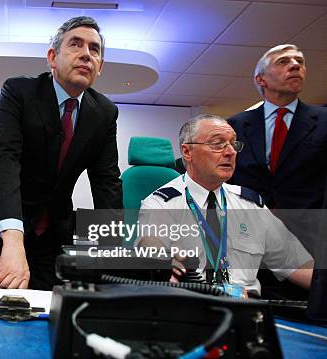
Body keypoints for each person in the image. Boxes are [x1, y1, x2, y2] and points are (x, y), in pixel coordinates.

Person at [0, 16, 122, 290]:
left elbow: (106, 181)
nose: (86, 54)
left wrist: (113, 252)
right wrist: (12, 241)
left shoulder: (105, 112)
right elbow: (3, 160)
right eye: (76, 45)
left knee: (50, 310)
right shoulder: (19, 91)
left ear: (100, 67)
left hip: (53, 233)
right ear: (52, 57)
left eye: (94, 49)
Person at [138, 114, 313, 296]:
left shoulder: (250, 204)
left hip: (248, 311)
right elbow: (152, 251)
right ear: (187, 152)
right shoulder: (162, 203)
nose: (230, 151)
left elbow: (296, 263)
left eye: (233, 144)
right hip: (192, 307)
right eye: (217, 143)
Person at [228, 44, 327, 210]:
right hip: (250, 222)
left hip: (310, 226)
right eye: (283, 62)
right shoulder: (235, 126)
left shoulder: (323, 120)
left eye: (300, 62)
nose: (295, 65)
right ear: (261, 79)